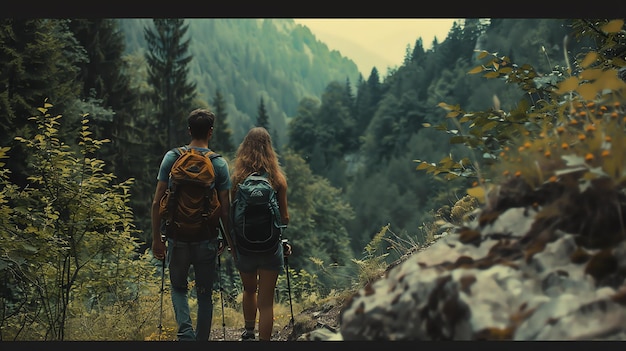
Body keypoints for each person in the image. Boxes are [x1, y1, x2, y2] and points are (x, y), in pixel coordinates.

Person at [151, 108, 232, 341]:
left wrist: (157, 238)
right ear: (211, 132)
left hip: (177, 236)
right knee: (205, 294)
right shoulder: (219, 165)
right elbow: (225, 210)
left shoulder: (172, 158)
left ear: (189, 131)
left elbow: (157, 201)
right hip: (206, 238)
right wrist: (228, 241)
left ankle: (185, 336)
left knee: (178, 288)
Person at [230, 126, 292, 341]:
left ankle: (248, 333)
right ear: (269, 149)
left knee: (249, 290)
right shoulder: (277, 179)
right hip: (270, 248)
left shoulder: (237, 179)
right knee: (266, 303)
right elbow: (284, 218)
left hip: (245, 247)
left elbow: (232, 214)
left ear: (244, 148)